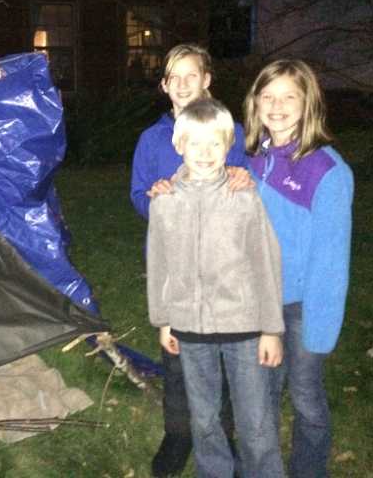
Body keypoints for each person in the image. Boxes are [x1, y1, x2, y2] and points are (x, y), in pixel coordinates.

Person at [147, 98, 286, 478]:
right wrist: (164, 320)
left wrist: (271, 329)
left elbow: (266, 263)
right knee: (204, 419)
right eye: (195, 142)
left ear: (228, 147)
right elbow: (158, 265)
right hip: (190, 329)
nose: (205, 153)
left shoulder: (244, 197)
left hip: (244, 327)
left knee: (256, 422)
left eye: (215, 143)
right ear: (179, 145)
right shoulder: (164, 202)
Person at [130, 43, 247, 477]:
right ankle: (178, 433)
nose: (182, 84)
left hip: (221, 267)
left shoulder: (231, 131)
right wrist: (154, 198)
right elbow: (138, 193)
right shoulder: (151, 139)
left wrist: (242, 179)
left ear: (207, 80)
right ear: (164, 85)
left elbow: (243, 186)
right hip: (174, 268)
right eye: (173, 77)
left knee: (223, 354)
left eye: (191, 75)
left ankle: (223, 432)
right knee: (176, 355)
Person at [243, 59, 353, 478]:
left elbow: (331, 260)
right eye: (267, 96)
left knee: (305, 395)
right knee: (262, 395)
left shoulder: (327, 170)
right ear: (255, 103)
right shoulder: (253, 160)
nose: (277, 106)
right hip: (260, 302)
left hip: (303, 307)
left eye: (289, 96)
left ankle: (309, 470)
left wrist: (320, 332)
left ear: (309, 104)